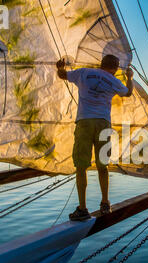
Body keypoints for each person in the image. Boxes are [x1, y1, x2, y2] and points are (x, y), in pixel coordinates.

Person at [56, 55, 134, 221]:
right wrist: (130, 77)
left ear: (101, 64)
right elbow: (128, 93)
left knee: (81, 167)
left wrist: (60, 67)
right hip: (103, 124)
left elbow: (63, 75)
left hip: (84, 123)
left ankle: (82, 208)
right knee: (102, 165)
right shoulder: (113, 81)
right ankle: (105, 202)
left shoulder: (84, 73)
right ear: (115, 68)